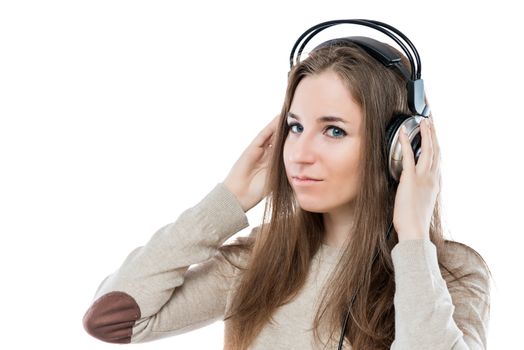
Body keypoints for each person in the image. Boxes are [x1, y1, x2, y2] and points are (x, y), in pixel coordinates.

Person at [82, 42, 492, 349]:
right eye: (295, 127)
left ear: (399, 151)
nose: (298, 154)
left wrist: (414, 239)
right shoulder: (260, 260)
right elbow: (111, 319)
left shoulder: (452, 274)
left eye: (334, 130)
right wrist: (226, 202)